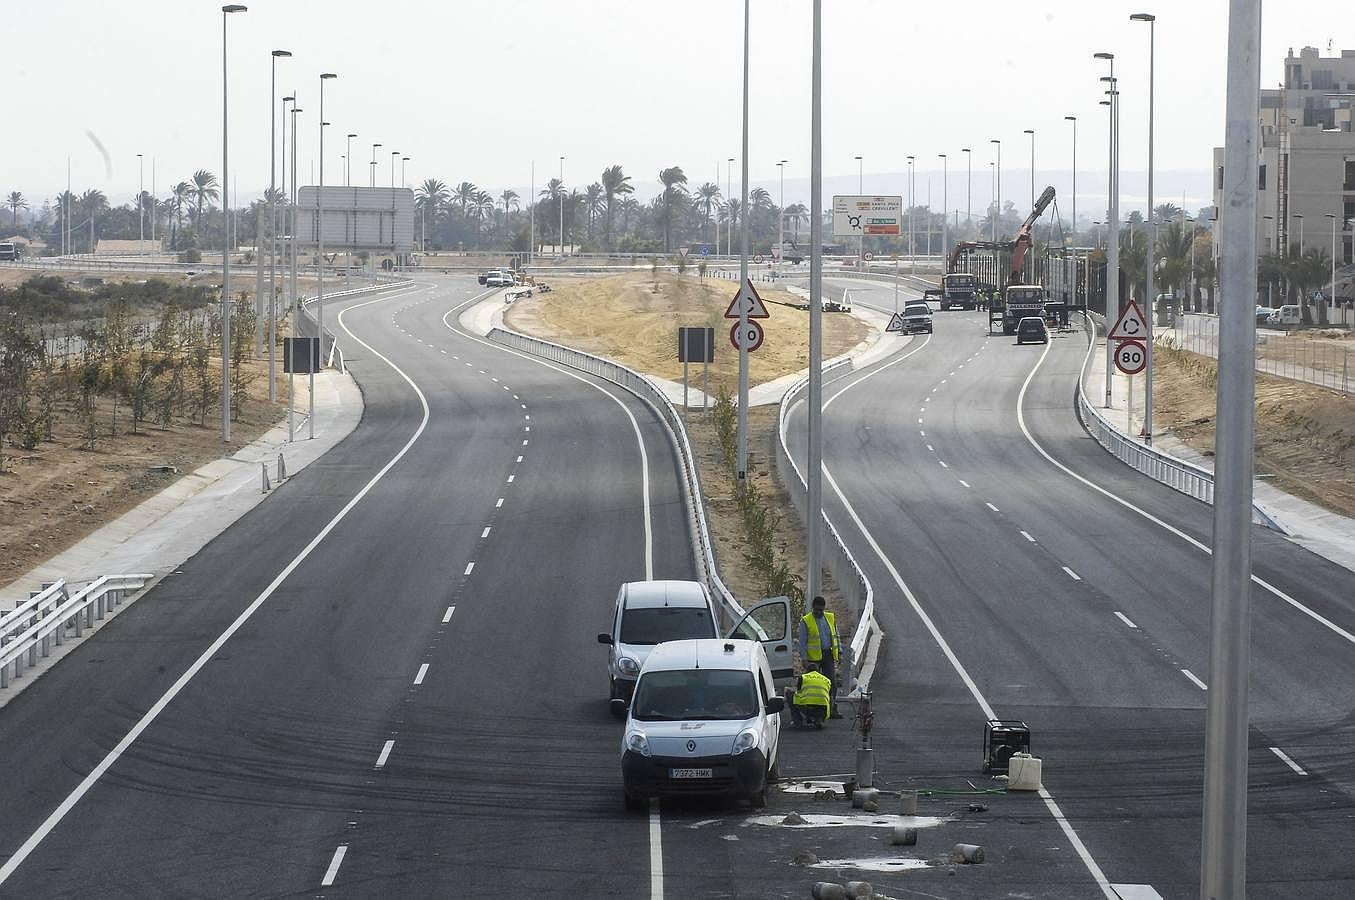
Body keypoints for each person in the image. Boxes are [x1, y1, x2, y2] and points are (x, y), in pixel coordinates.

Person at [798, 595, 843, 717]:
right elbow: (802, 642)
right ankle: (811, 711)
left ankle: (832, 708)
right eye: (817, 609)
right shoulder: (806, 621)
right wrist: (804, 659)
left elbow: (835, 636)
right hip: (813, 659)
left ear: (824, 608)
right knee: (812, 684)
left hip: (828, 655)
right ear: (812, 607)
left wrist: (840, 652)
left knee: (831, 682)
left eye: (821, 610)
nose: (819, 612)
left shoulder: (829, 618)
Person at [783, 662, 832, 728]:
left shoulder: (803, 677)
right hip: (823, 709)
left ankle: (797, 722)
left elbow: (799, 691)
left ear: (807, 670)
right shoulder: (827, 680)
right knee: (825, 698)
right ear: (818, 671)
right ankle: (819, 719)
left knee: (790, 694)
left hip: (807, 707)